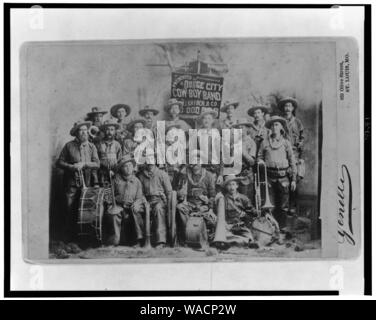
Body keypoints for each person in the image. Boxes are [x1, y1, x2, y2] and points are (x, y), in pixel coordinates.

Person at [57, 120, 100, 245]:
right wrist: (72, 167)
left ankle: (82, 238)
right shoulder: (68, 146)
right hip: (71, 184)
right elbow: (59, 162)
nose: (84, 133)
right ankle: (68, 238)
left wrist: (85, 164)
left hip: (87, 184)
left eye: (85, 131)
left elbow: (97, 164)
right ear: (76, 133)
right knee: (69, 209)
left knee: (84, 210)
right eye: (81, 131)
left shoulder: (92, 147)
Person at [257, 116, 297, 236]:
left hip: (283, 177)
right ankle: (272, 228)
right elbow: (259, 157)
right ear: (270, 128)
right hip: (269, 177)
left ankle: (283, 228)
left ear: (281, 128)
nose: (274, 127)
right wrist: (260, 161)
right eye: (272, 125)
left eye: (277, 125)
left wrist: (294, 179)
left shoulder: (286, 143)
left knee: (283, 206)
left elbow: (292, 161)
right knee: (270, 205)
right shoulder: (265, 142)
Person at [176, 150, 217, 245]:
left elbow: (212, 195)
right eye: (193, 160)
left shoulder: (208, 176)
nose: (195, 163)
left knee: (212, 219)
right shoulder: (185, 175)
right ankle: (188, 234)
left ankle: (203, 236)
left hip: (203, 205)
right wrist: (182, 197)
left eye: (198, 160)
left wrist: (210, 208)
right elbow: (179, 191)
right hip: (189, 204)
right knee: (180, 208)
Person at [105, 155, 145, 246]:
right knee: (114, 216)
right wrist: (111, 203)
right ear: (121, 168)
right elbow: (109, 195)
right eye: (125, 166)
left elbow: (140, 197)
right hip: (118, 206)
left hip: (131, 206)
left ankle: (138, 240)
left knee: (136, 212)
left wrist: (137, 203)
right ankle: (114, 242)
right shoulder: (115, 180)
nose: (128, 168)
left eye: (130, 166)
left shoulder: (137, 181)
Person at [277, 97, 305, 216]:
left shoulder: (297, 122)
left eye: (289, 106)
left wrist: (300, 144)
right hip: (283, 153)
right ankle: (283, 207)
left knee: (295, 180)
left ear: (293, 108)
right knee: (284, 181)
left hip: (295, 153)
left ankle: (293, 207)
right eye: (285, 106)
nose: (287, 108)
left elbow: (302, 137)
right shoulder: (280, 121)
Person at [137, 160, 172, 248]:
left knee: (158, 209)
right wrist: (144, 201)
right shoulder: (141, 175)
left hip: (159, 200)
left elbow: (169, 192)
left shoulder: (162, 174)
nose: (150, 162)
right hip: (145, 200)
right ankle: (139, 239)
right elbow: (139, 191)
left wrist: (167, 203)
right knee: (136, 209)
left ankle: (161, 240)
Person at [222, 175, 259, 248]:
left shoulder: (243, 198)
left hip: (241, 226)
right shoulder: (223, 199)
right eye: (229, 185)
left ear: (237, 185)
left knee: (249, 235)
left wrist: (248, 214)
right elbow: (220, 215)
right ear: (226, 187)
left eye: (233, 184)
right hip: (228, 226)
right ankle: (241, 241)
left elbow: (251, 212)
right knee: (224, 235)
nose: (231, 187)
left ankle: (238, 241)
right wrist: (225, 224)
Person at [231, 121, 257, 202]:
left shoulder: (251, 142)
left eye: (242, 127)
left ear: (247, 129)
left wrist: (243, 152)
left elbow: (252, 162)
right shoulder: (234, 142)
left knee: (246, 200)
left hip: (246, 176)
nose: (240, 130)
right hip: (235, 175)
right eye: (238, 128)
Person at [95, 119, 123, 187]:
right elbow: (95, 161)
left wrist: (114, 171)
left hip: (115, 174)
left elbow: (120, 161)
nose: (109, 132)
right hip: (102, 174)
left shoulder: (117, 145)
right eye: (107, 129)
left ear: (115, 131)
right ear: (104, 131)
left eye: (112, 130)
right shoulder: (98, 145)